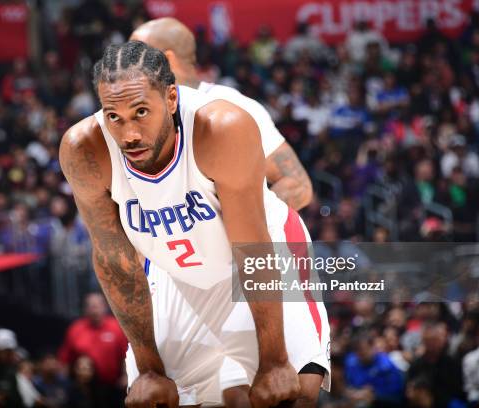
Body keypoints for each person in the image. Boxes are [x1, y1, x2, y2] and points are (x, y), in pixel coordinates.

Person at [59, 40, 330, 407]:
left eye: (141, 112)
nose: (129, 134)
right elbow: (115, 263)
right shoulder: (83, 150)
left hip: (253, 260)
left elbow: (252, 249)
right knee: (152, 397)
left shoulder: (221, 127)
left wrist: (274, 361)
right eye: (114, 117)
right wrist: (149, 367)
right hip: (175, 274)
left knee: (291, 392)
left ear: (171, 99)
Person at [130, 17, 312, 211]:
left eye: (135, 57)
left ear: (166, 60)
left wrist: (242, 223)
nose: (124, 66)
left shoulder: (230, 106)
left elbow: (297, 184)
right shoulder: (131, 117)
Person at [58, 293, 128, 406]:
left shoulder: (117, 327)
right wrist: (65, 384)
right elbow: (65, 359)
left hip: (113, 387)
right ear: (85, 309)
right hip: (84, 388)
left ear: (105, 307)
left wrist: (126, 376)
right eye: (90, 306)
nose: (94, 310)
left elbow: (126, 355)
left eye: (97, 306)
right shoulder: (75, 329)